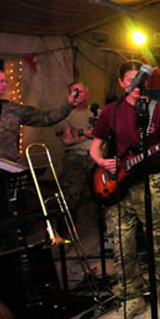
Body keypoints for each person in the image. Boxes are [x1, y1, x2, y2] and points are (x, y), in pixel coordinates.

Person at [89, 61, 160, 319]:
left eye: (141, 80)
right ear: (121, 82)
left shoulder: (159, 110)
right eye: (131, 80)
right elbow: (95, 146)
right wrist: (101, 162)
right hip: (120, 186)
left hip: (154, 180)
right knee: (122, 244)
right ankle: (131, 297)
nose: (137, 86)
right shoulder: (111, 111)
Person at [0, 65, 85, 163]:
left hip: (6, 171)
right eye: (1, 81)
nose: (5, 84)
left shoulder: (10, 108)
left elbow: (45, 119)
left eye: (5, 81)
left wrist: (68, 105)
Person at [58, 85, 95, 222]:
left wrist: (78, 132)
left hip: (96, 158)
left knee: (100, 196)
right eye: (75, 91)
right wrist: (90, 133)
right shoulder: (65, 115)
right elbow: (67, 140)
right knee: (70, 197)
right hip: (75, 158)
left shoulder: (96, 112)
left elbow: (104, 134)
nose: (78, 94)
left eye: (81, 91)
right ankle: (67, 231)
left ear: (87, 93)